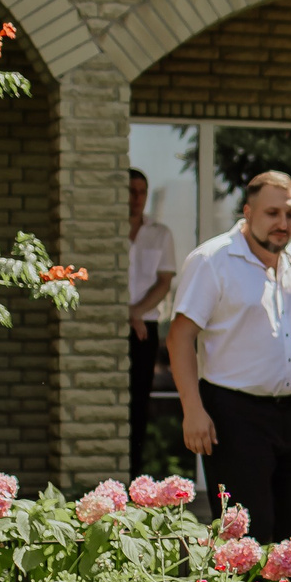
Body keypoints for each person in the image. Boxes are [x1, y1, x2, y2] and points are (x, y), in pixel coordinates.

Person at [168, 171, 291, 582]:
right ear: (247, 212)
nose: (282, 222)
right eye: (272, 213)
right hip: (234, 415)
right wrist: (193, 410)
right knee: (245, 534)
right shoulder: (212, 260)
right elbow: (179, 337)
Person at [127, 167, 179, 479]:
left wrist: (136, 312)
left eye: (141, 192)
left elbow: (164, 282)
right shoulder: (103, 229)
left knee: (139, 404)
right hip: (108, 326)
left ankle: (134, 475)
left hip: (144, 328)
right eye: (130, 191)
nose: (136, 198)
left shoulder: (161, 233)